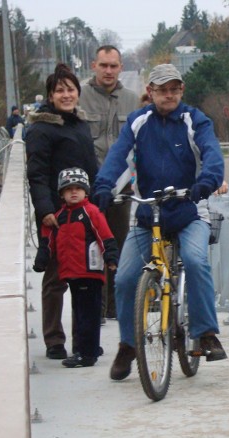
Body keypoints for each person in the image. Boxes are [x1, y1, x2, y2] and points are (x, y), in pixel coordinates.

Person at [92, 63, 227, 381]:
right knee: (125, 279)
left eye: (174, 89)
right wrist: (102, 186)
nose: (169, 95)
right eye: (162, 89)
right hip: (147, 214)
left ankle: (205, 333)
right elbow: (118, 157)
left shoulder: (195, 120)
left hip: (188, 210)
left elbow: (212, 154)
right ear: (150, 92)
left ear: (181, 90)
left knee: (195, 260)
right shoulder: (139, 122)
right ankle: (128, 343)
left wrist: (206, 181)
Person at [26, 63, 98, 360]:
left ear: (78, 93)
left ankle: (83, 340)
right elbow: (38, 175)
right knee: (56, 279)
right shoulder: (41, 129)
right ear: (50, 95)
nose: (66, 95)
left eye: (70, 89)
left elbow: (91, 168)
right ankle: (54, 339)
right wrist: (45, 211)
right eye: (60, 90)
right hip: (57, 216)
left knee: (85, 280)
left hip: (84, 214)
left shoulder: (79, 124)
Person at [78, 45, 141, 324]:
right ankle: (96, 308)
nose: (108, 71)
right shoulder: (79, 96)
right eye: (103, 65)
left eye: (114, 66)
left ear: (120, 67)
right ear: (94, 65)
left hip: (121, 186)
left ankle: (116, 307)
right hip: (86, 186)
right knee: (89, 246)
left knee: (119, 243)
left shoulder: (132, 101)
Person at [33, 168, 118, 367]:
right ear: (61, 193)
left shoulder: (91, 212)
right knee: (80, 311)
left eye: (78, 188)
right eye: (69, 189)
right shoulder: (60, 216)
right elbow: (49, 241)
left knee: (88, 312)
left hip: (90, 271)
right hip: (71, 273)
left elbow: (105, 236)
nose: (74, 192)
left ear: (86, 192)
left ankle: (86, 354)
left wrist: (111, 257)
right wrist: (42, 259)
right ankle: (89, 347)